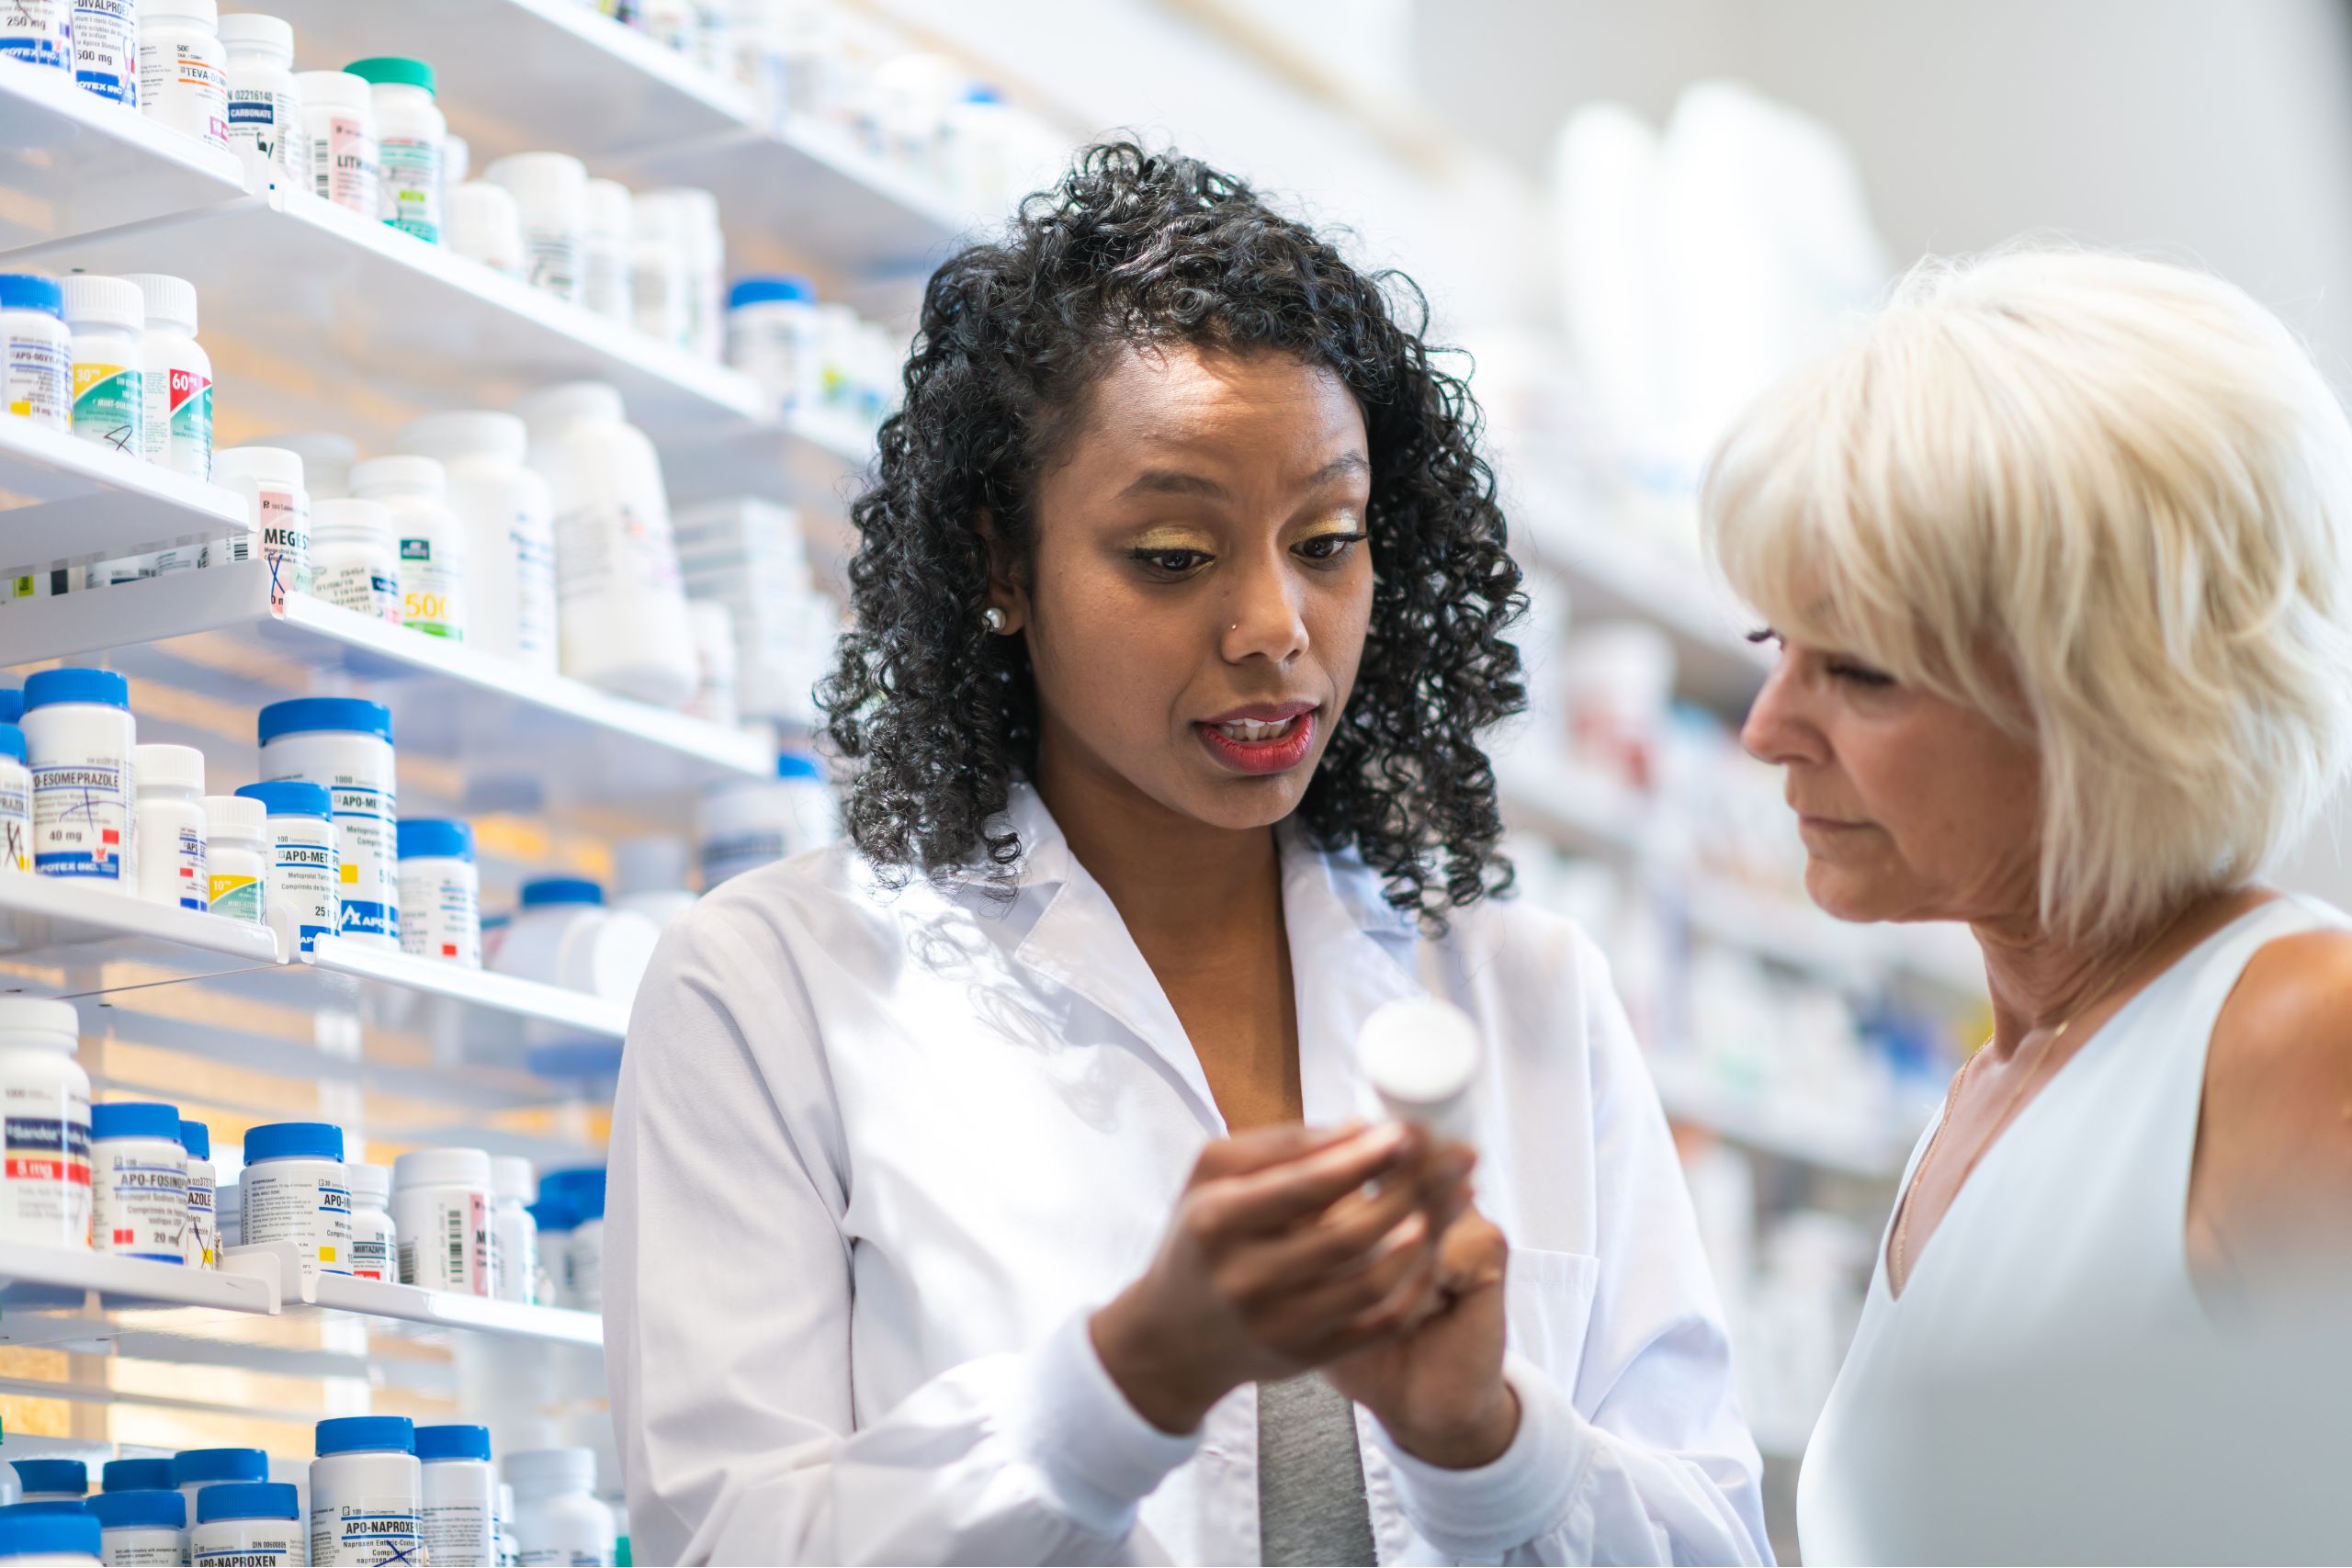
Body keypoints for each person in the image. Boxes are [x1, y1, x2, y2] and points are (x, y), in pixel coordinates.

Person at [607, 143, 1770, 1565]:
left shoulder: (1529, 998)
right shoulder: (777, 988)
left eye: (1327, 541)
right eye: (1171, 553)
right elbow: (726, 1544)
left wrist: (1492, 1450)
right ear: (999, 567)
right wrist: (1123, 1387)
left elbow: (1712, 1535)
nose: (1274, 625)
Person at [1702, 247, 2352, 1562]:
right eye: (1780, 650)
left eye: (1863, 674)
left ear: (2115, 704)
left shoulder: (2293, 1035)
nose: (1769, 731)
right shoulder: (1986, 1096)